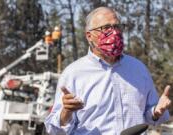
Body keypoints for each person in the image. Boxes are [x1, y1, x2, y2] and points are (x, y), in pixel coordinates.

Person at [44, 7, 171, 135]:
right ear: (89, 36)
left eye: (117, 27)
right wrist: (66, 112)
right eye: (106, 28)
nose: (114, 32)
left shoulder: (139, 69)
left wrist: (156, 112)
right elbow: (54, 129)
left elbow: (150, 117)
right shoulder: (73, 74)